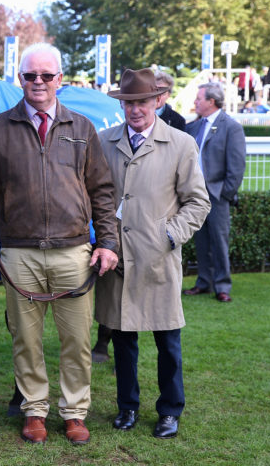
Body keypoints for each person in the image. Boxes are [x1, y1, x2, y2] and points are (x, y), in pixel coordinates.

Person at [0, 43, 119, 445]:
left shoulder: (81, 127)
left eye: (46, 75)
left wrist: (107, 241)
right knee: (26, 339)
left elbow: (102, 191)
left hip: (73, 250)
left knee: (77, 341)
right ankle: (35, 411)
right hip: (20, 251)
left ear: (60, 79)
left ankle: (75, 413)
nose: (38, 83)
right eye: (29, 76)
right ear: (19, 80)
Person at [98, 68, 210, 439]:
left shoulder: (180, 143)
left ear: (158, 101)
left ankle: (169, 411)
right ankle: (127, 407)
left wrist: (168, 236)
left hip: (158, 258)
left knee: (168, 342)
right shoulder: (104, 141)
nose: (135, 110)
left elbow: (197, 202)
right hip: (117, 260)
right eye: (128, 102)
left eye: (142, 102)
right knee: (123, 340)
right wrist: (104, 240)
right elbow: (94, 197)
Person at [183, 83, 246, 303]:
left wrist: (224, 194)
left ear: (211, 101)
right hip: (195, 195)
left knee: (219, 242)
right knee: (201, 242)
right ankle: (203, 283)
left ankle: (222, 286)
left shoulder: (231, 127)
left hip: (217, 196)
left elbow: (236, 167)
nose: (195, 102)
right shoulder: (193, 127)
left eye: (199, 98)